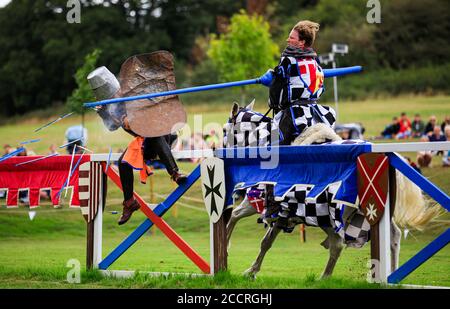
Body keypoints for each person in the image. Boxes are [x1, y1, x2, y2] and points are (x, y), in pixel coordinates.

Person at [88, 65, 187, 225]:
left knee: (154, 134)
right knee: (123, 163)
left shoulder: (132, 95)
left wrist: (136, 113)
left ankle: (174, 173)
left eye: (114, 94)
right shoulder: (112, 107)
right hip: (145, 142)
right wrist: (103, 113)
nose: (114, 97)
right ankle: (129, 203)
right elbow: (112, 126)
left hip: (164, 134)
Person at [268, 20, 335, 146]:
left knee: (272, 145)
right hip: (317, 112)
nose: (288, 40)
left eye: (291, 38)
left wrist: (272, 101)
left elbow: (277, 89)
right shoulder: (315, 63)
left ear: (302, 42)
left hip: (294, 116)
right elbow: (321, 89)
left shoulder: (288, 60)